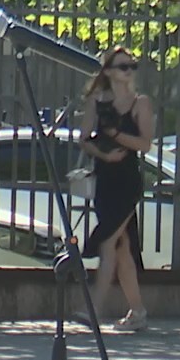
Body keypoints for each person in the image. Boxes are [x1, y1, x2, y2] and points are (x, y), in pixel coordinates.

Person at [75, 47, 152, 331]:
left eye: (132, 66)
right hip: (105, 178)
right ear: (108, 71)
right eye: (122, 66)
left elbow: (145, 144)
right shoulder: (97, 101)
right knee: (122, 248)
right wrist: (103, 154)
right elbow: (84, 139)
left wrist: (116, 135)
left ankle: (94, 309)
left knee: (108, 242)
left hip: (127, 180)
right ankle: (138, 312)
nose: (128, 71)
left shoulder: (140, 103)